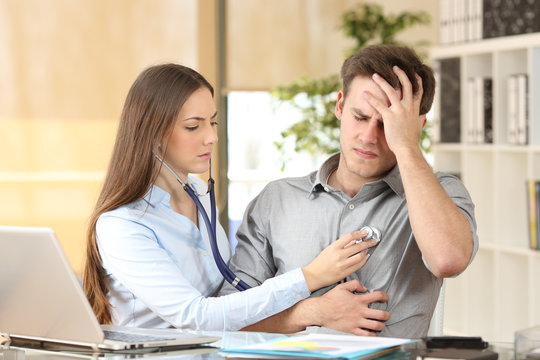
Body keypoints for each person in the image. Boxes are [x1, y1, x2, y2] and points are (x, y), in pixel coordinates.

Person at [82, 63, 376, 330]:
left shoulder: (199, 194)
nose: (211, 137)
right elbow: (196, 316)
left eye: (213, 122)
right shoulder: (122, 225)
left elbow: (231, 305)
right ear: (153, 133)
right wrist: (310, 277)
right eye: (193, 126)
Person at [219, 45, 478, 338]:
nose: (369, 137)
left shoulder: (441, 192)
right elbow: (227, 316)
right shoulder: (276, 199)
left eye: (386, 125)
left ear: (416, 126)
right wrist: (312, 313)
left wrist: (406, 146)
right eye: (360, 117)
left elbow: (448, 259)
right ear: (340, 106)